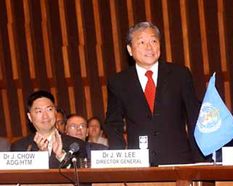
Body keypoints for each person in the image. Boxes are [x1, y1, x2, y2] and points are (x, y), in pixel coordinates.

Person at [104, 21, 202, 166]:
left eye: (153, 41)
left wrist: (199, 160)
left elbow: (194, 117)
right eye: (142, 42)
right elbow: (113, 124)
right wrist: (119, 162)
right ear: (130, 50)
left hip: (178, 160)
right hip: (139, 164)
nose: (149, 47)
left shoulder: (180, 74)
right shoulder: (118, 82)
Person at [11, 90, 87, 168]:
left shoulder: (76, 145)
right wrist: (40, 158)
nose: (45, 116)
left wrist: (61, 156)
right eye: (39, 111)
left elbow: (81, 177)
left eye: (49, 109)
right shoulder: (19, 147)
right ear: (30, 117)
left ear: (55, 112)